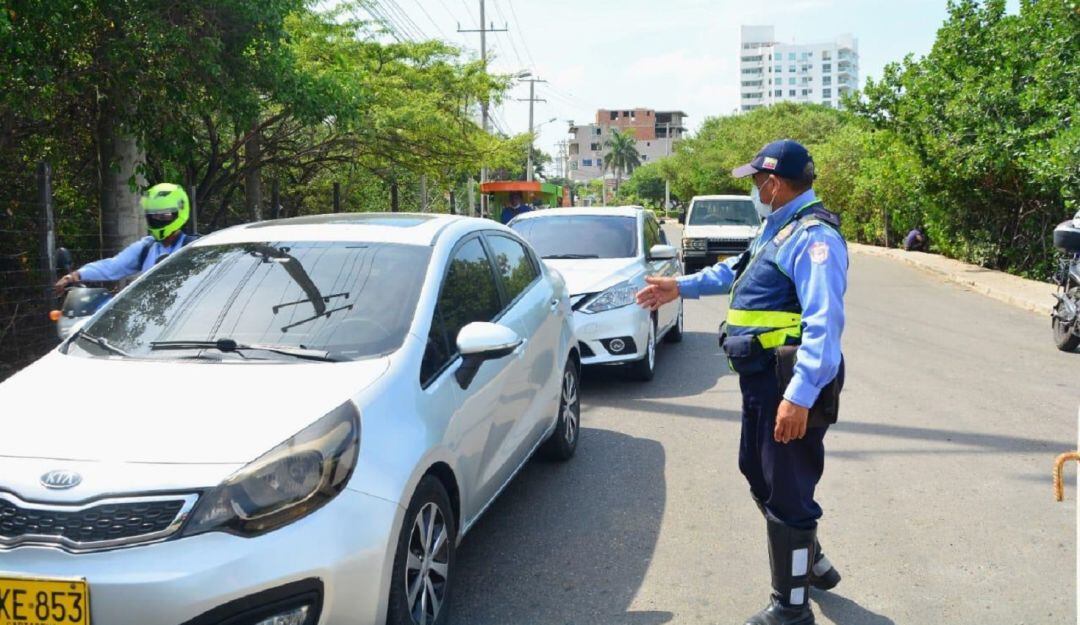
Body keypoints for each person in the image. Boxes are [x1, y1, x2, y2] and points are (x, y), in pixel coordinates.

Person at [636, 140, 847, 625]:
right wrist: (678, 285)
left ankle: (791, 610)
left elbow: (824, 325)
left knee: (788, 491)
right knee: (756, 471)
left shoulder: (814, 239)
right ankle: (808, 559)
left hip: (788, 384)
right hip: (761, 382)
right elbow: (734, 272)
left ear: (773, 183)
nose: (755, 190)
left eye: (755, 182)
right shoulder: (778, 229)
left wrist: (798, 398)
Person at [54, 183, 197, 293]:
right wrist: (76, 275)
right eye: (152, 215)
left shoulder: (195, 248)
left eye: (163, 215)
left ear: (179, 213)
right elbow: (113, 266)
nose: (157, 219)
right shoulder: (147, 248)